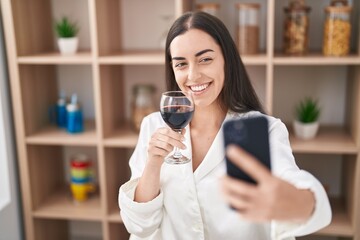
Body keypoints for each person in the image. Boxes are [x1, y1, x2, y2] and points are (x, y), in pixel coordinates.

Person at [119, 11, 331, 240]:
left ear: (227, 60)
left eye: (205, 59)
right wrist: (153, 163)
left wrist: (291, 201)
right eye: (181, 64)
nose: (193, 75)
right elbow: (139, 226)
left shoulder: (264, 130)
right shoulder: (153, 125)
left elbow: (300, 190)